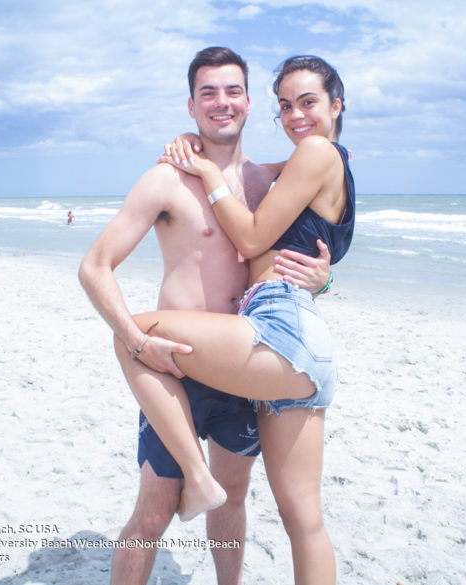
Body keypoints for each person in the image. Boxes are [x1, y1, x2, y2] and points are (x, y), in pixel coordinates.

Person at [79, 47, 331, 585]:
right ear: (190, 106)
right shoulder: (167, 179)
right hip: (174, 371)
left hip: (241, 366)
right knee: (156, 508)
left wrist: (323, 279)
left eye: (233, 90)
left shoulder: (268, 184)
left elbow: (297, 268)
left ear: (248, 102)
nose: (222, 103)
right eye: (208, 93)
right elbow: (95, 267)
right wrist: (135, 338)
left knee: (231, 499)